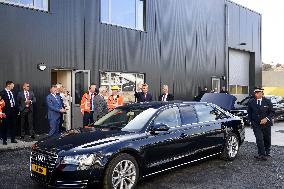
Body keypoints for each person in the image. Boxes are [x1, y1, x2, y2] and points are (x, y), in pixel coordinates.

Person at [248, 87, 274, 161]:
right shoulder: (251, 102)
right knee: (259, 139)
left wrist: (266, 119)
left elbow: (272, 112)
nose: (257, 94)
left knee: (267, 138)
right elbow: (249, 113)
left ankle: (267, 152)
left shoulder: (268, 101)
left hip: (266, 124)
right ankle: (261, 154)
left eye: (258, 93)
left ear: (262, 93)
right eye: (256, 93)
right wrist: (251, 122)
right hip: (256, 124)